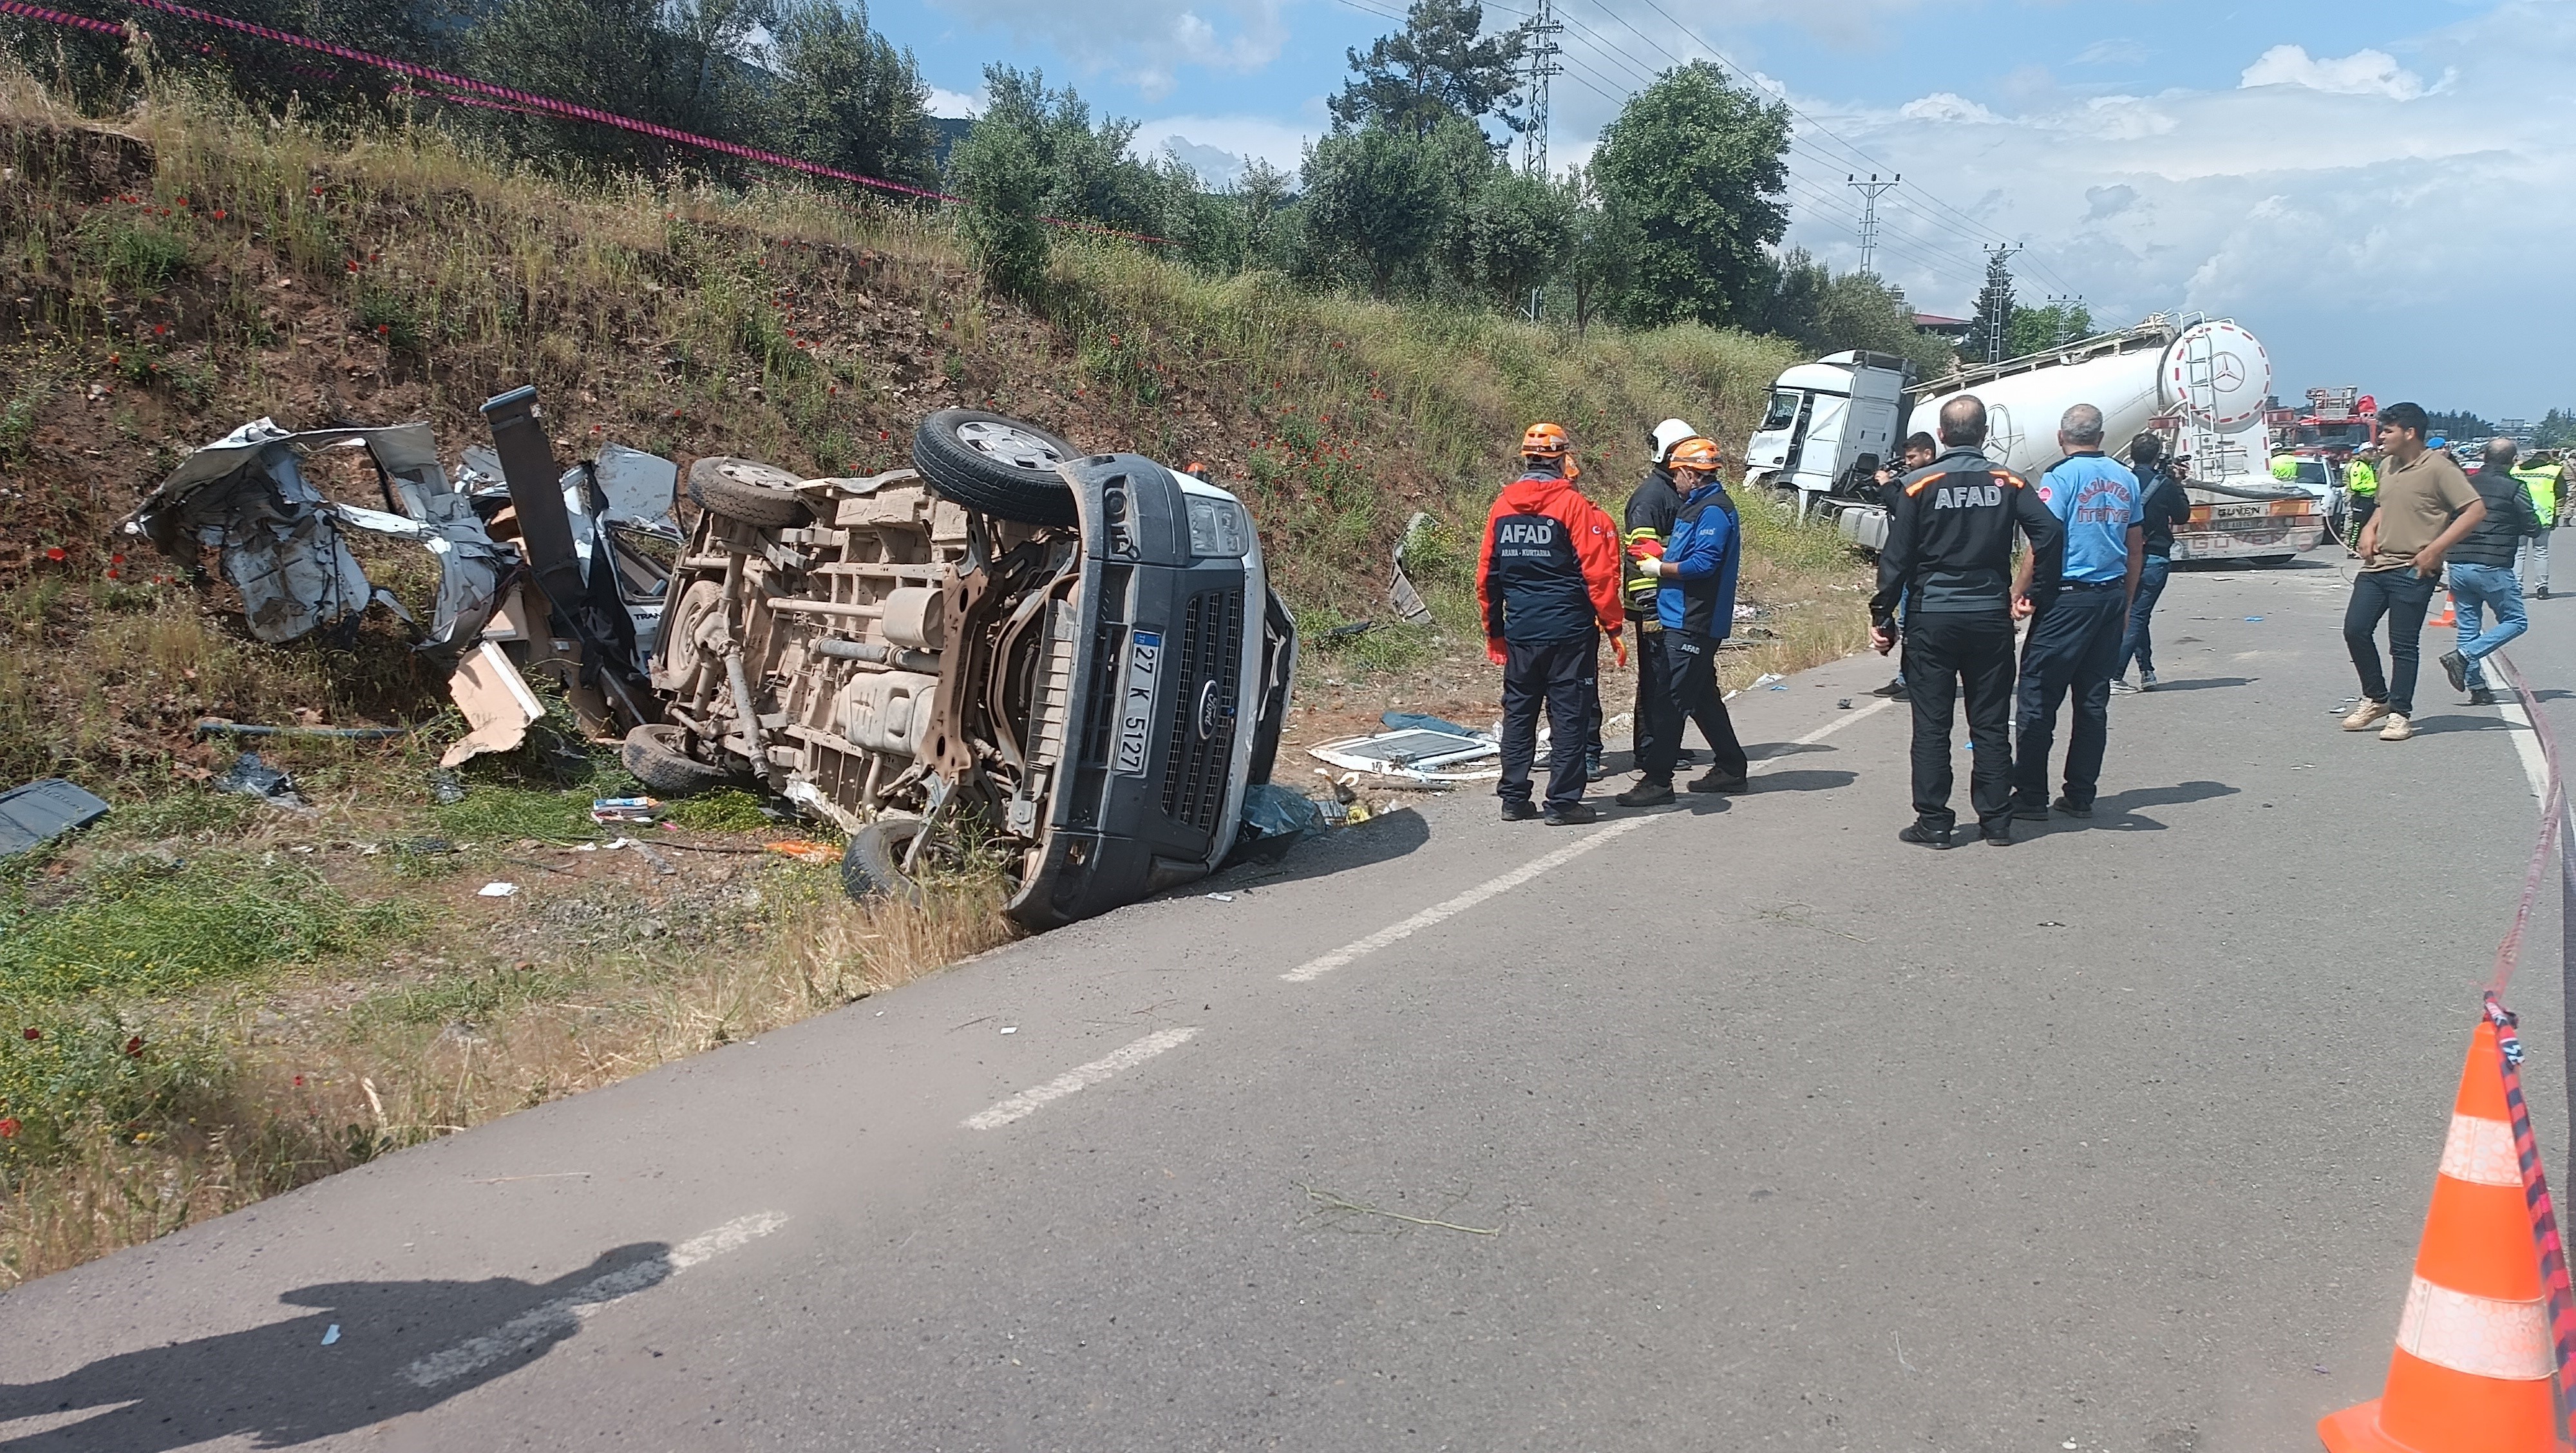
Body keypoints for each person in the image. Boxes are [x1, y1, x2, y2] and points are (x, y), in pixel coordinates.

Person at [1868, 395, 2065, 848]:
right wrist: (2036, 593)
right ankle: (1996, 820)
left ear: (1941, 436)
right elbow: (2050, 532)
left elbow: (1896, 558)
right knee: (1990, 724)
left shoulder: (1917, 484)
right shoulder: (2008, 481)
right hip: (1989, 616)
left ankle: (1934, 822)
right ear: (1984, 434)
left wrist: (1884, 616)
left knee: (1932, 726)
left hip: (1933, 617)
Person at [1479, 423, 1626, 824]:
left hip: (1521, 630)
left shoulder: (1502, 507)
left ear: (1526, 459)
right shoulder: (1573, 506)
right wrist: (1613, 627)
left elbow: (1487, 577)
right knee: (1569, 716)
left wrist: (1495, 634)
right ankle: (1562, 804)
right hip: (1569, 633)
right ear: (1561, 461)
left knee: (1519, 714)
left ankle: (1513, 799)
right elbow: (1598, 574)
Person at [2010, 404, 2145, 821]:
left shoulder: (2061, 477)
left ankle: (2030, 795)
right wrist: (2126, 603)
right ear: (2100, 437)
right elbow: (2135, 549)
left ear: (2060, 437)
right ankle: (2081, 793)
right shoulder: (2127, 478)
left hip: (2068, 599)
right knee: (2092, 701)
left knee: (2037, 696)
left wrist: (2018, 590)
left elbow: (2043, 542)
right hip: (2109, 596)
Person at [1618, 436, 1750, 804]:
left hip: (1694, 619)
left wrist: (1660, 568)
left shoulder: (1713, 511)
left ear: (1691, 475)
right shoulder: (1696, 506)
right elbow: (1689, 553)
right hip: (1682, 615)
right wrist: (1661, 554)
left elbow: (1705, 564)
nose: (1673, 479)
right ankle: (1731, 767)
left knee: (1670, 699)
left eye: (1677, 473)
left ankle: (1658, 780)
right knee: (1702, 697)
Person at [2343, 402, 2485, 742]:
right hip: (2378, 565)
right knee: (2355, 630)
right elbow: (2383, 505)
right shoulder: (2386, 465)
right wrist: (2369, 529)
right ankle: (2376, 698)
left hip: (2413, 569)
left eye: (2387, 431)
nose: (2380, 438)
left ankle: (2400, 713)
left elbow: (2475, 510)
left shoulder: (2439, 468)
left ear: (2410, 433)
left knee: (2403, 644)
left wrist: (2435, 549)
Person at [2439, 439, 2541, 707]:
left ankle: (2478, 688)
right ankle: (2463, 656)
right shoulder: (2515, 488)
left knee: (2468, 625)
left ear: (2484, 456)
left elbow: (2448, 518)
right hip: (2492, 564)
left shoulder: (2465, 484)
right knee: (2516, 621)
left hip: (2459, 562)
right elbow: (2532, 526)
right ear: (2514, 461)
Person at [1621, 419, 1696, 781]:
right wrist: (1651, 606)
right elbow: (1640, 554)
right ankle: (1649, 751)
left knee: (1669, 678)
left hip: (1671, 602)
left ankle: (1666, 744)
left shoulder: (1676, 492)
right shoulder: (1651, 497)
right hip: (1653, 605)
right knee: (1655, 679)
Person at [2112, 433, 2195, 694]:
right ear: (2157, 457)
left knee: (2138, 614)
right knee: (2137, 616)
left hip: (2123, 557)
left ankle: (2146, 671)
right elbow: (2182, 516)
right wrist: (2177, 484)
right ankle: (2115, 675)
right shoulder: (2164, 484)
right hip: (2154, 559)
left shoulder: (2120, 481)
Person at [1866, 432, 1940, 701]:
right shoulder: (1924, 479)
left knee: (1912, 625)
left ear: (1928, 454)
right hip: (1918, 566)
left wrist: (1887, 485)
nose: (1908, 463)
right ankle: (1906, 678)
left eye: (1912, 457)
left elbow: (1902, 506)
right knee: (1909, 623)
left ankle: (1912, 680)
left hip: (1920, 566)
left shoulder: (1926, 482)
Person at [2514, 448, 2562, 599]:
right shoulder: (2553, 471)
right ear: (2548, 460)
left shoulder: (2516, 471)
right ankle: (2542, 588)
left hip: (2519, 516)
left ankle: (2516, 587)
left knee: (2519, 552)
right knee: (2541, 552)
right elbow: (2562, 491)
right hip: (2543, 516)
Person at [2343, 446, 2381, 557]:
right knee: (2357, 526)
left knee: (2370, 525)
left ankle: (2367, 548)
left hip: (2371, 500)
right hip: (2361, 500)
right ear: (2362, 453)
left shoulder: (2369, 466)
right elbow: (2356, 486)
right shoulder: (2358, 466)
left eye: (2374, 451)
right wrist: (2375, 485)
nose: (2373, 454)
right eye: (2369, 451)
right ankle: (2352, 550)